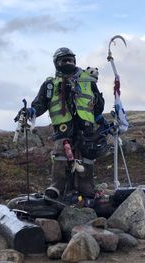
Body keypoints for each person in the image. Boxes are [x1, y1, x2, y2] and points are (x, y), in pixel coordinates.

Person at [26, 47, 110, 199]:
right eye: (64, 59)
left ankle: (86, 187)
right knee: (61, 156)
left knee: (87, 157)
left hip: (86, 129)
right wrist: (31, 111)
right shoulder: (50, 84)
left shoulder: (88, 81)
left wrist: (99, 113)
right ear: (57, 63)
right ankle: (58, 187)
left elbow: (98, 107)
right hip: (63, 128)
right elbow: (39, 104)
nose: (68, 61)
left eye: (70, 59)